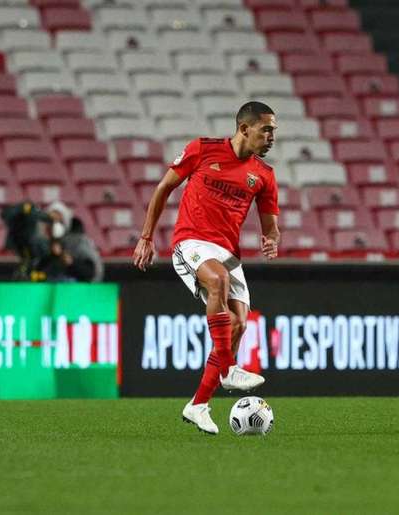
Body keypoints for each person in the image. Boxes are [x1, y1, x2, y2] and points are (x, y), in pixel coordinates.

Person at [132, 101, 281, 435]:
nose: (272, 136)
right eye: (266, 129)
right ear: (245, 129)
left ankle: (198, 404)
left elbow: (270, 225)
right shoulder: (201, 150)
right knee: (218, 281)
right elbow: (163, 188)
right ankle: (228, 368)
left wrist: (271, 239)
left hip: (227, 252)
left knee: (240, 323)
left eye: (274, 130)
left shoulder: (265, 176)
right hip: (191, 241)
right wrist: (146, 237)